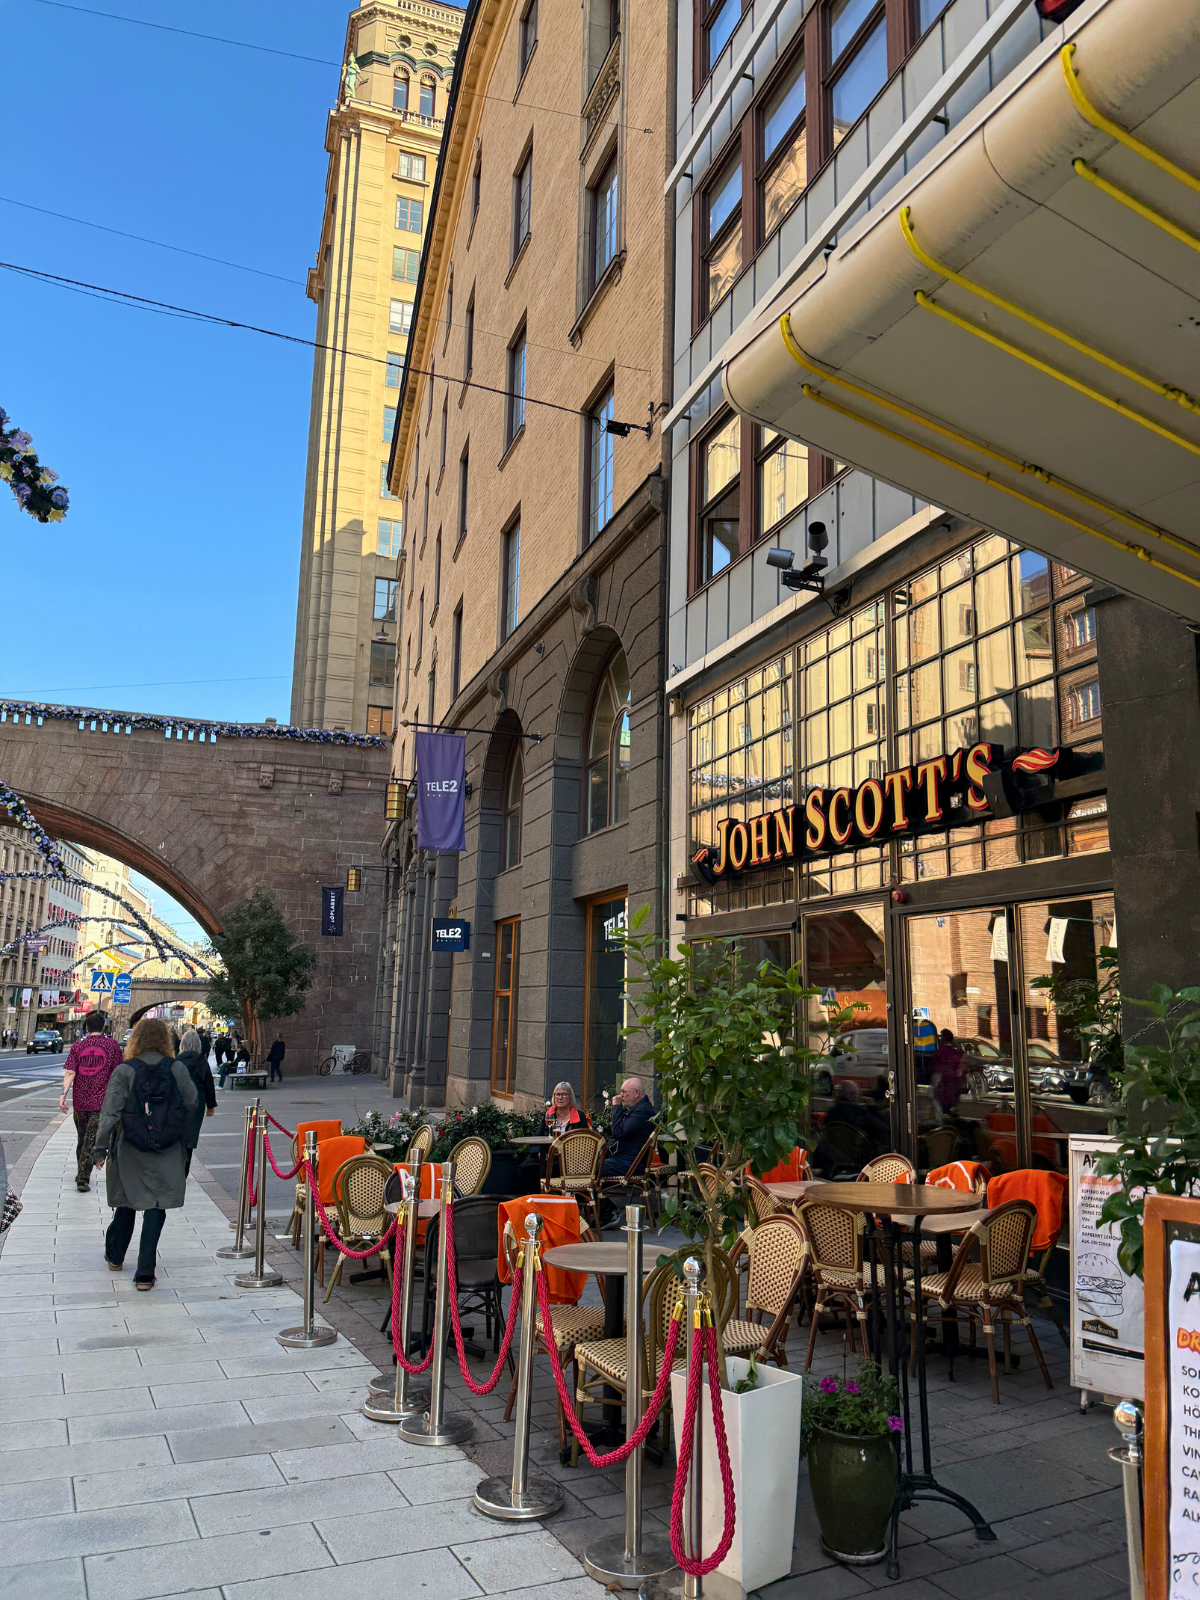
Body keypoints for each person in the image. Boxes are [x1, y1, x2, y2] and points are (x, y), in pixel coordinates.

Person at [92, 1017, 198, 1290]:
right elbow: (192, 1101)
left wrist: (100, 1148)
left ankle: (115, 1256)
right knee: (156, 1205)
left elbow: (110, 1113)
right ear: (165, 1040)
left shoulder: (125, 1070)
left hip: (130, 1147)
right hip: (167, 1147)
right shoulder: (176, 1067)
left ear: (135, 1040)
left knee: (127, 1199)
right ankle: (144, 1274)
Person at [59, 1013, 124, 1192]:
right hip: (101, 1102)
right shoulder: (112, 1046)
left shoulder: (78, 1046)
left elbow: (70, 1072)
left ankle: (82, 1172)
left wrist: (63, 1095)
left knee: (83, 1138)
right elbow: (118, 1073)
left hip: (80, 1101)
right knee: (89, 1139)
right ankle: (82, 1177)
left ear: (86, 1028)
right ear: (103, 1027)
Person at [176, 1028, 216, 1174]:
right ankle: (185, 1169)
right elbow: (208, 1084)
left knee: (178, 1135)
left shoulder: (177, 1061)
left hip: (179, 1102)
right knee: (191, 1136)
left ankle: (177, 1166)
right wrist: (210, 1105)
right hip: (197, 1103)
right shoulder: (201, 1061)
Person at [602, 1077, 655, 1177]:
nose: (621, 1095)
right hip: (622, 1160)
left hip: (630, 1163)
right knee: (587, 1165)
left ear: (636, 1093)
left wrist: (616, 1106)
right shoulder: (637, 1110)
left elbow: (618, 1132)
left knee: (589, 1168)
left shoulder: (643, 1111)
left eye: (624, 1091)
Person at [932, 1029, 966, 1111]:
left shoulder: (939, 1053)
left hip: (943, 1083)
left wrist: (934, 1084)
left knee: (940, 1106)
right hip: (955, 1083)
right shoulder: (958, 1053)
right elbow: (964, 1068)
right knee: (951, 1105)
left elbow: (936, 1069)